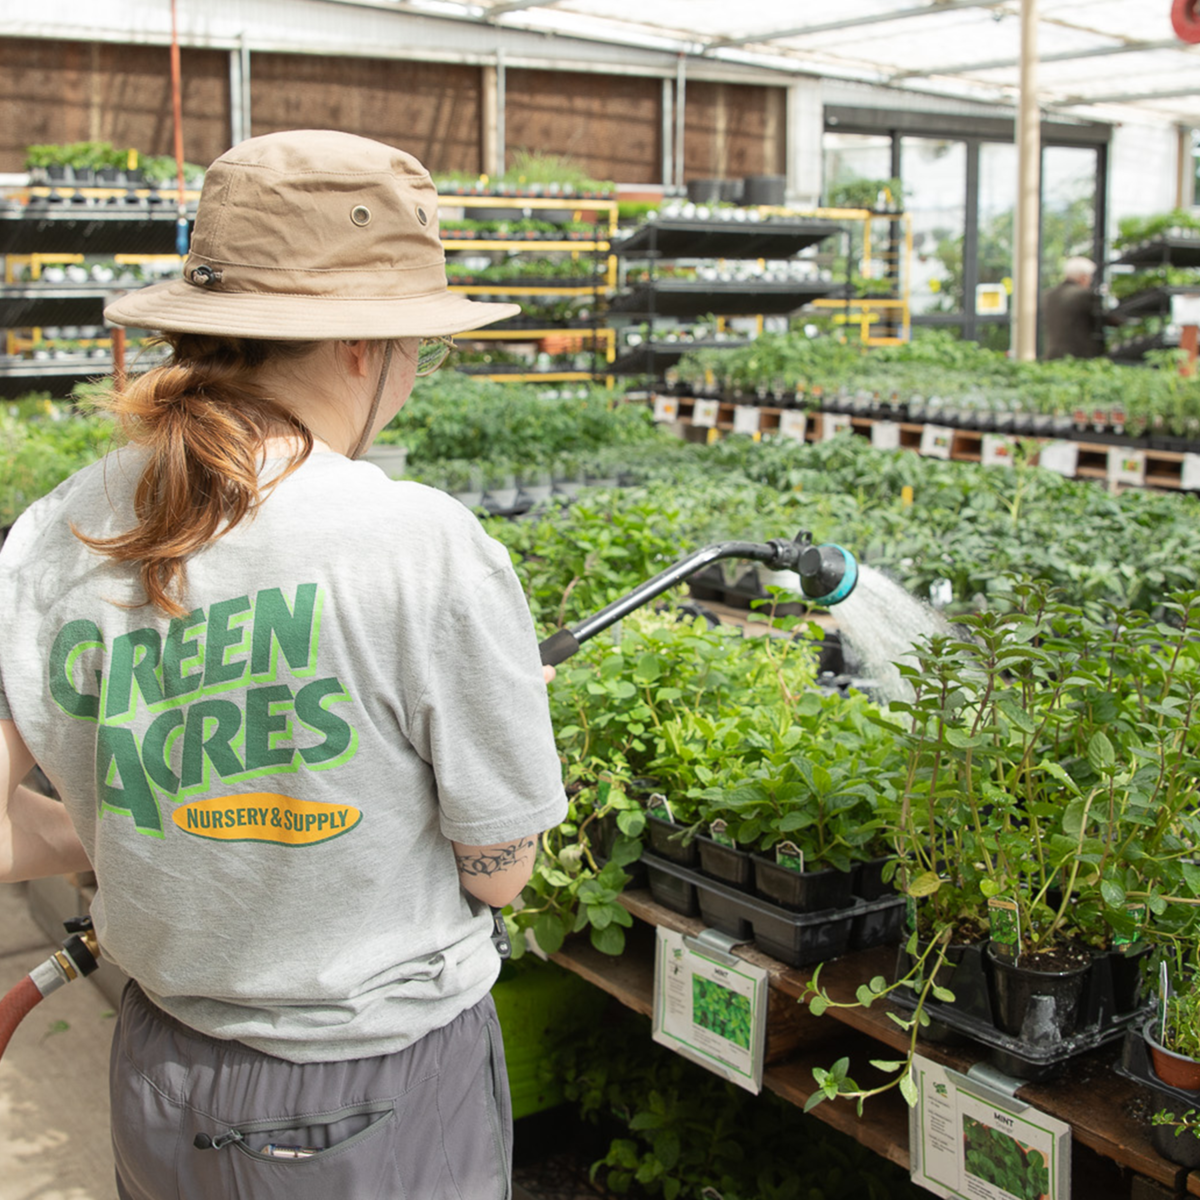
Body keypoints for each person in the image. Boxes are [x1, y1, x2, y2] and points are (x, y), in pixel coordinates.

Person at [0, 130, 566, 1199]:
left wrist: (167, 817)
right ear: (364, 342)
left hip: (159, 1074)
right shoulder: (417, 543)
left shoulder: (53, 531)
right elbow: (502, 871)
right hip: (375, 1091)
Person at [1040, 256, 1111, 360]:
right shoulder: (1084, 295)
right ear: (1084, 277)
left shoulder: (1049, 295)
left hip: (1053, 356)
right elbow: (1103, 320)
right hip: (1081, 358)